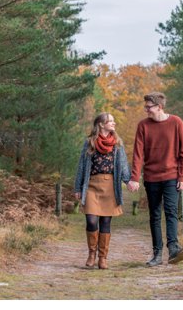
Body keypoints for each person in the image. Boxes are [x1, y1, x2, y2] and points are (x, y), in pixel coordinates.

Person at [127, 92, 183, 266]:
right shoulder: (143, 126)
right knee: (154, 215)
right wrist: (134, 177)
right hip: (151, 177)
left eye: (149, 107)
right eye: (145, 107)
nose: (146, 110)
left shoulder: (176, 122)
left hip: (171, 176)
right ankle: (157, 254)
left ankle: (174, 249)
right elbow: (138, 154)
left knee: (170, 212)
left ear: (159, 107)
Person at [74, 112, 131, 269]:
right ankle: (91, 254)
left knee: (105, 222)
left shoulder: (117, 144)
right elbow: (81, 166)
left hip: (110, 186)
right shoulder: (89, 143)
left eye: (113, 121)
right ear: (101, 124)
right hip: (91, 185)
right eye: (110, 121)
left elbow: (124, 165)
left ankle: (102, 258)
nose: (113, 123)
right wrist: (78, 187)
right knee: (91, 220)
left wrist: (129, 181)